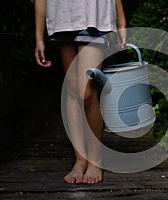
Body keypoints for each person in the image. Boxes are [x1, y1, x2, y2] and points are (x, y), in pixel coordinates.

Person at [34, 0, 127, 184]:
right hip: (63, 18)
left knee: (87, 91)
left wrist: (121, 21)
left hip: (94, 16)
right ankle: (80, 159)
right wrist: (38, 37)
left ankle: (95, 160)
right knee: (73, 90)